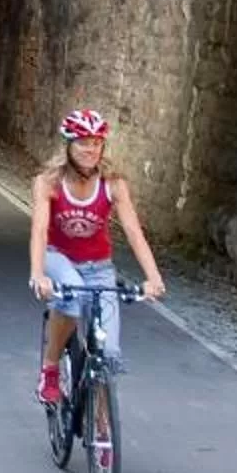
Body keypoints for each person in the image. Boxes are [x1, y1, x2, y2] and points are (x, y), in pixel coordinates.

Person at [29, 107, 166, 404]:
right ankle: (50, 369)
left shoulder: (113, 184)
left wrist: (153, 278)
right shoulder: (48, 182)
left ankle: (102, 426)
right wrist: (38, 274)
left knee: (109, 354)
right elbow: (40, 230)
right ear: (68, 146)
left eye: (96, 142)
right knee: (71, 299)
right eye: (82, 142)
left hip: (98, 267)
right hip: (58, 257)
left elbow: (133, 232)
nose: (90, 149)